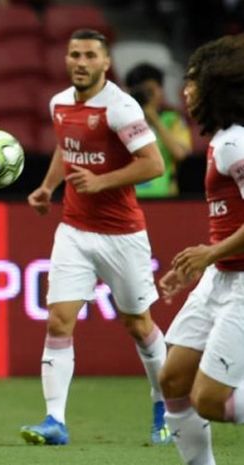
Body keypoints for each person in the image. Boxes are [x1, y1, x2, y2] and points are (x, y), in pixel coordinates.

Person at [20, 29, 169, 446]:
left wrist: (102, 182)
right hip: (75, 231)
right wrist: (50, 187)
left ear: (106, 63)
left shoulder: (121, 107)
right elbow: (65, 148)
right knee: (58, 320)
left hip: (123, 234)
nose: (80, 62)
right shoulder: (59, 103)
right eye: (74, 54)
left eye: (89, 55)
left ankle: (164, 406)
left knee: (138, 326)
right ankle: (55, 421)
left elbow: (154, 164)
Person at [158, 34, 244, 465]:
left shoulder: (236, 143)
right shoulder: (221, 140)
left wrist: (210, 254)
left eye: (193, 82)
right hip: (221, 277)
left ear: (215, 86)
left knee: (210, 400)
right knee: (173, 379)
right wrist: (204, 261)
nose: (184, 91)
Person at [125, 62, 193, 198]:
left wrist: (154, 119)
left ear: (161, 90)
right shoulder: (121, 121)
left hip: (165, 196)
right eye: (140, 92)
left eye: (150, 91)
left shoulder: (172, 119)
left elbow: (180, 153)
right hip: (129, 196)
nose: (146, 97)